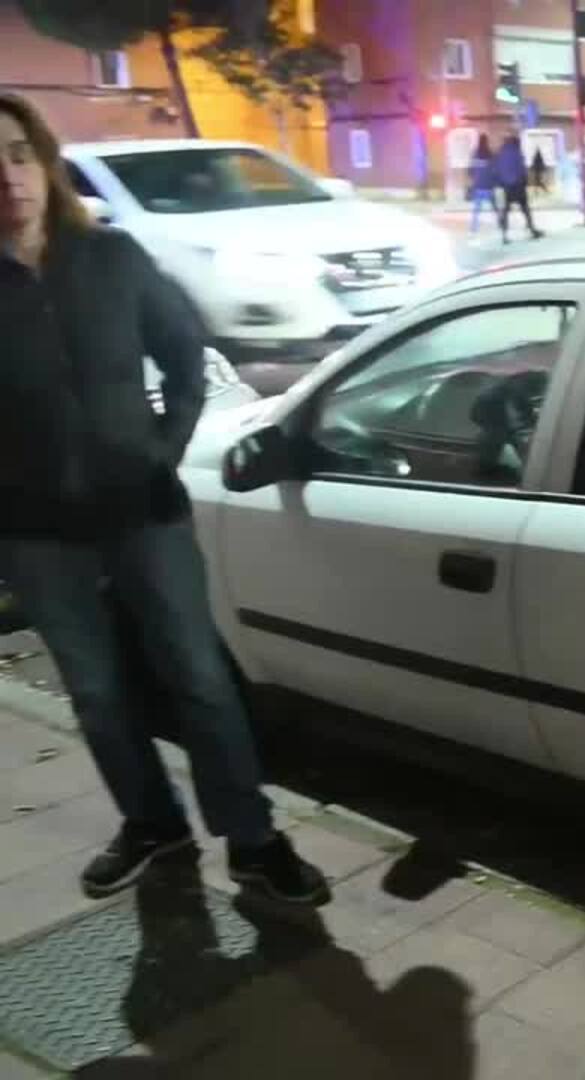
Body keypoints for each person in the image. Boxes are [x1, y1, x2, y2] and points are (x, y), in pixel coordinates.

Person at [0, 92, 325, 904]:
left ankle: (252, 840)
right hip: (36, 530)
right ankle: (153, 823)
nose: (7, 177)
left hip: (143, 511)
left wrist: (163, 450)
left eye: (17, 154)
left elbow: (185, 356)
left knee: (199, 677)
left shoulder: (111, 258)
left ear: (43, 163)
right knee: (97, 691)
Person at [493, 133, 543, 242]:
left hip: (507, 187)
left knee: (505, 210)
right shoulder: (517, 152)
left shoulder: (500, 153)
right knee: (525, 209)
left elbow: (497, 169)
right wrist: (525, 181)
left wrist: (500, 183)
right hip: (518, 185)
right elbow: (521, 169)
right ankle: (532, 230)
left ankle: (504, 235)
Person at [466, 133, 497, 235]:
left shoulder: (475, 155)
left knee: (476, 210)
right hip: (488, 186)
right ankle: (500, 225)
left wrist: (475, 178)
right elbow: (494, 170)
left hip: (478, 186)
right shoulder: (490, 154)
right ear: (487, 142)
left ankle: (473, 228)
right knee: (494, 208)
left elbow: (470, 171)